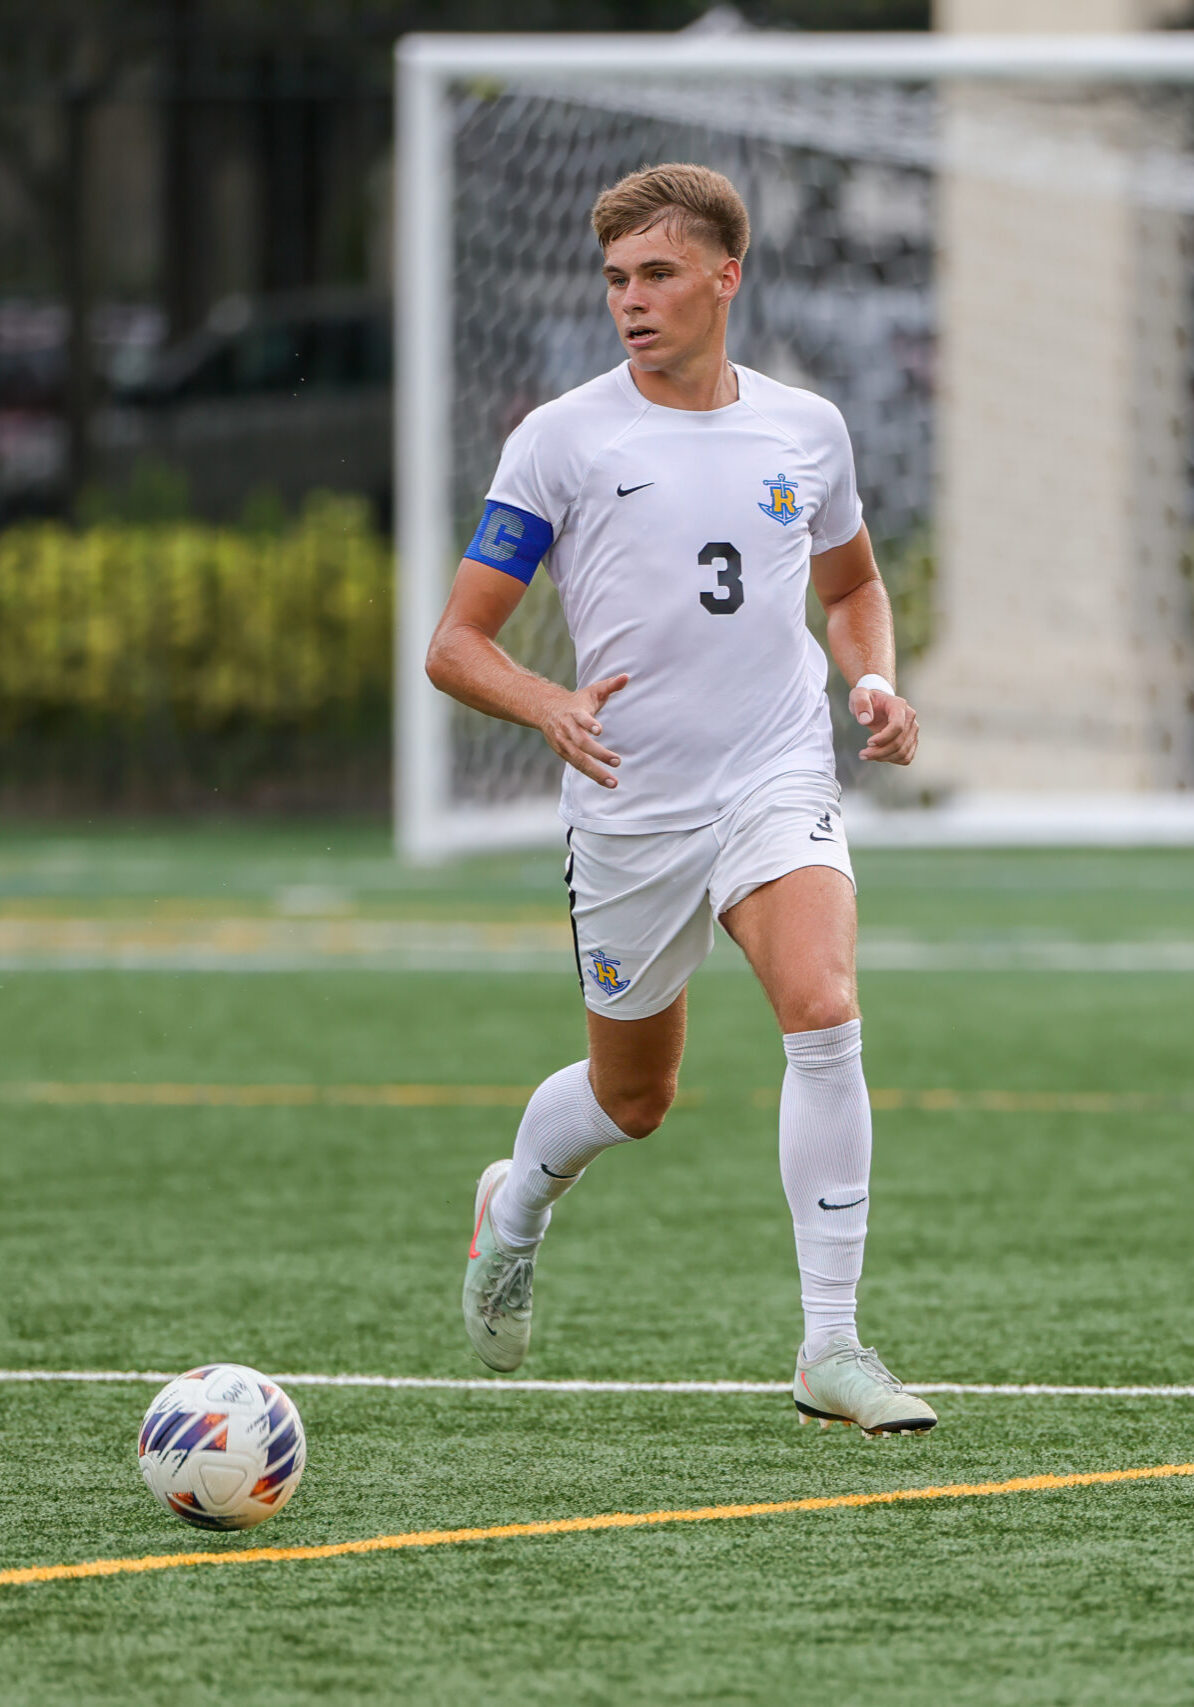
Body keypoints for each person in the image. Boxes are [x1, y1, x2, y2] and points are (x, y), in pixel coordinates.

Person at [426, 163, 936, 1437]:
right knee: (634, 1100)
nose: (632, 301)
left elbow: (852, 588)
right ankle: (516, 1205)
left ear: (726, 276)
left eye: (657, 274)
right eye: (616, 280)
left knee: (823, 1009)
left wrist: (874, 680)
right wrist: (549, 705)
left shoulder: (807, 429)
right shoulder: (561, 440)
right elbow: (455, 644)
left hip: (776, 774)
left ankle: (831, 1346)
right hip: (631, 807)